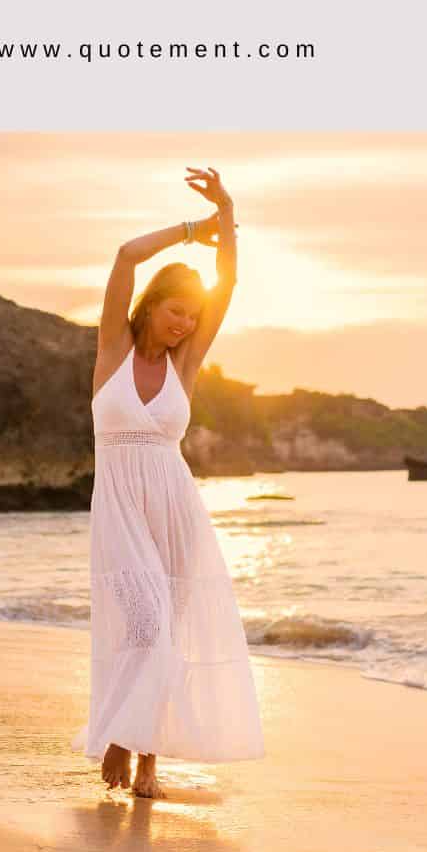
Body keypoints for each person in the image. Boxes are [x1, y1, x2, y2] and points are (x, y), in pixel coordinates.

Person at [73, 166, 265, 799]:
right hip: (122, 506)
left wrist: (229, 215)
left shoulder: (186, 362)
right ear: (150, 306)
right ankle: (122, 738)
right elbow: (127, 255)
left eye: (193, 316)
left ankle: (146, 757)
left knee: (168, 630)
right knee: (145, 624)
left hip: (176, 504)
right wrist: (194, 228)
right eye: (176, 312)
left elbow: (229, 282)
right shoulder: (112, 351)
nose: (185, 324)